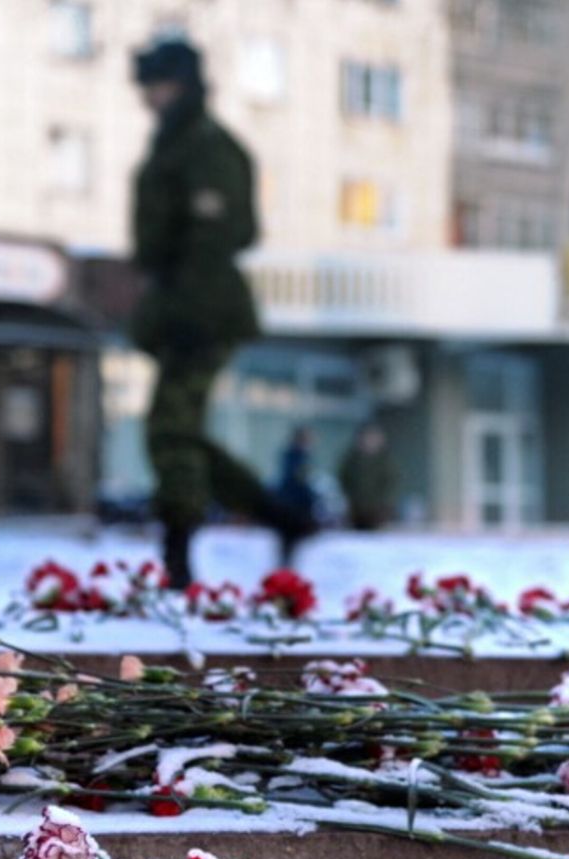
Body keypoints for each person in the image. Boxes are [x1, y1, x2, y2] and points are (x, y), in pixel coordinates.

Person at [130, 37, 313, 588]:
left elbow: (220, 236)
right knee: (177, 431)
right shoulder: (176, 141)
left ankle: (180, 550)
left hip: (203, 307)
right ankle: (280, 515)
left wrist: (191, 314)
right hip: (180, 302)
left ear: (181, 84)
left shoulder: (207, 146)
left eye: (157, 85)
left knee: (171, 432)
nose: (149, 97)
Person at [339, 423, 398, 531]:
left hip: (378, 509)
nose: (370, 441)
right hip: (356, 508)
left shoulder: (384, 460)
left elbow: (391, 482)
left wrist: (384, 503)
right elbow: (344, 478)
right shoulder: (352, 459)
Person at [275, 427, 320, 526]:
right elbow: (298, 479)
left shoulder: (302, 456)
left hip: (297, 500)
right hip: (295, 502)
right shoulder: (295, 457)